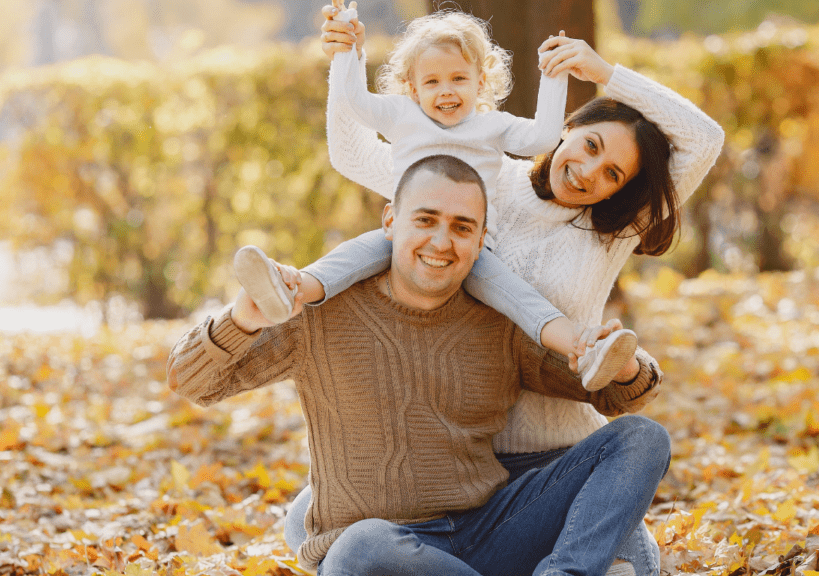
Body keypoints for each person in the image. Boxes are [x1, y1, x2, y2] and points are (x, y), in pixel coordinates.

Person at [313, 5, 725, 575]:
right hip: (468, 470)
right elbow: (353, 152)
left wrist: (607, 72)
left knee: (632, 528)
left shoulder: (608, 232)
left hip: (563, 462)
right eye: (591, 146)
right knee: (329, 533)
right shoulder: (476, 179)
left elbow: (704, 140)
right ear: (570, 126)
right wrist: (344, 58)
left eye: (613, 175)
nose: (589, 173)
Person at [168, 155, 670, 575]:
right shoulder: (320, 314)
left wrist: (622, 360)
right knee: (360, 547)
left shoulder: (498, 323)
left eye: (461, 228)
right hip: (387, 551)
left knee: (643, 438)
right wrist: (242, 318)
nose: (441, 242)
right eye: (425, 220)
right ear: (391, 221)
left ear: (479, 241)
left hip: (490, 530)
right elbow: (191, 382)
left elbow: (612, 392)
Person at [234, 4, 640, 392]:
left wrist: (554, 77)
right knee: (355, 255)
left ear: (481, 81)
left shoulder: (491, 126)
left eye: (458, 79)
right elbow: (355, 104)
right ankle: (290, 289)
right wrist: (347, 52)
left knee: (522, 300)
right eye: (432, 82)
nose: (446, 91)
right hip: (406, 235)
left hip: (474, 247)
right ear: (412, 88)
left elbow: (543, 138)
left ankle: (585, 349)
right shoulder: (402, 115)